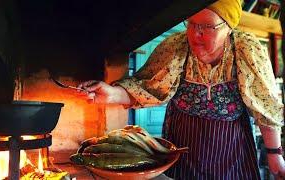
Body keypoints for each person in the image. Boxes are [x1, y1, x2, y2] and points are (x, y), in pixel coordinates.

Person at [78, 0, 285, 179]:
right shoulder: (175, 47)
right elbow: (147, 88)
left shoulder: (246, 50)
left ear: (229, 26)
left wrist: (275, 155)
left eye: (207, 26)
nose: (196, 34)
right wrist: (111, 93)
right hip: (183, 144)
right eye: (192, 24)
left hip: (231, 149)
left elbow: (264, 107)